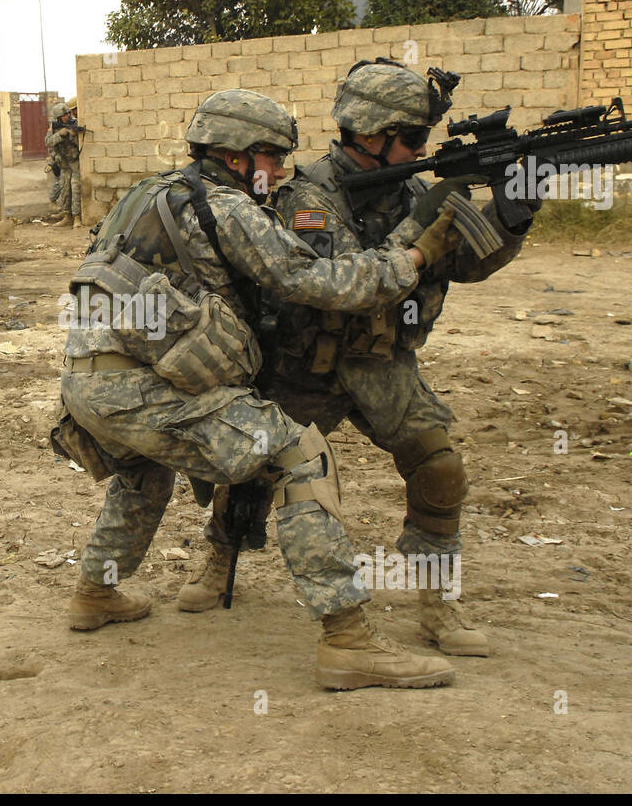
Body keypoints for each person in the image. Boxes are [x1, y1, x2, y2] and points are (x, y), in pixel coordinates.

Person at [54, 88, 470, 690]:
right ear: (236, 154)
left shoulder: (146, 193)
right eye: (272, 157)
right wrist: (412, 256)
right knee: (299, 455)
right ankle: (349, 641)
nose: (280, 173)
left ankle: (97, 590)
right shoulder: (227, 208)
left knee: (146, 464)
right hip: (141, 387)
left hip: (86, 386)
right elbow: (317, 281)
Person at [177, 59, 541, 660]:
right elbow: (343, 279)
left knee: (440, 467)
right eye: (415, 138)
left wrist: (515, 210)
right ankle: (220, 557)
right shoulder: (307, 198)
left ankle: (436, 601)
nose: (422, 149)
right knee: (254, 472)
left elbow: (469, 263)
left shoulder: (420, 190)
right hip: (305, 360)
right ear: (372, 134)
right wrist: (423, 229)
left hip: (381, 363)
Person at [45, 101, 83, 227]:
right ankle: (67, 216)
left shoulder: (75, 124)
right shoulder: (55, 128)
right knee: (65, 191)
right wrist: (60, 135)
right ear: (59, 118)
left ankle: (77, 217)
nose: (67, 116)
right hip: (64, 166)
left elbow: (80, 144)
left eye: (68, 113)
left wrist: (73, 136)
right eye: (64, 115)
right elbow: (48, 142)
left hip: (74, 163)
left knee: (75, 189)